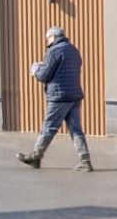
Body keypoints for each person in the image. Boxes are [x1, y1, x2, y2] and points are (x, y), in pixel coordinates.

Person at [16, 26, 92, 172]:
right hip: (74, 95)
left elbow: (44, 76)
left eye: (47, 38)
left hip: (59, 96)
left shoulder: (54, 51)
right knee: (76, 129)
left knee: (49, 127)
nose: (47, 41)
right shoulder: (74, 50)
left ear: (53, 37)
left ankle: (35, 157)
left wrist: (36, 70)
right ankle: (85, 160)